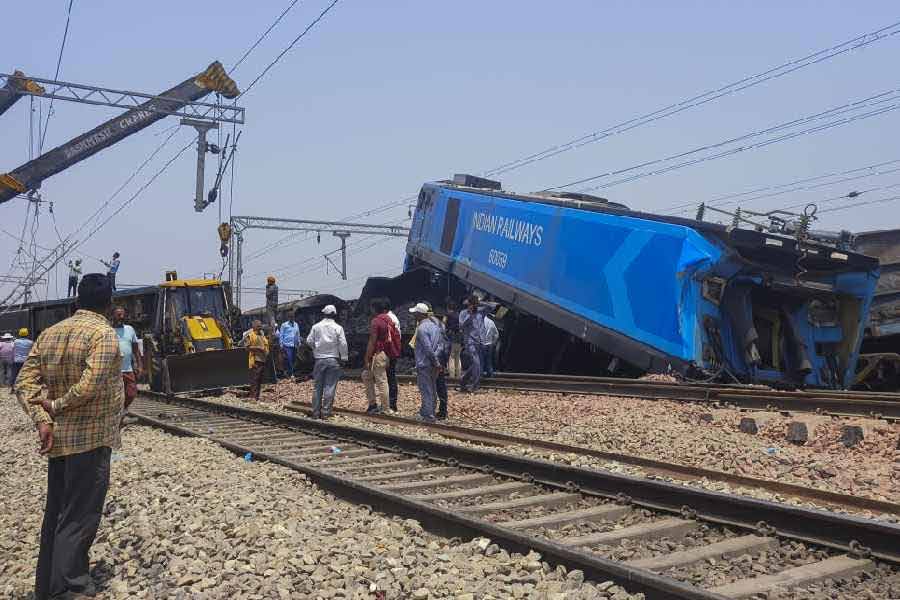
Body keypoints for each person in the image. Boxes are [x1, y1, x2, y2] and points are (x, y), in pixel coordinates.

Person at [15, 273, 123, 600]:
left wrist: (42, 419)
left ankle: (46, 585)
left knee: (58, 513)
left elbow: (23, 383)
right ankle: (69, 587)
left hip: (59, 441)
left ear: (77, 301)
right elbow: (91, 385)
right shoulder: (103, 335)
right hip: (90, 439)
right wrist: (56, 407)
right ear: (109, 303)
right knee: (80, 515)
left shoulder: (49, 333)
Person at [306, 305, 348, 419]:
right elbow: (343, 344)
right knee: (330, 387)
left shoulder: (316, 327)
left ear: (324, 314)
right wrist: (344, 358)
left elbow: (309, 341)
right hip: (333, 359)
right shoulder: (338, 328)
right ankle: (325, 413)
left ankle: (315, 413)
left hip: (319, 359)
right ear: (334, 315)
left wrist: (316, 349)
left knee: (317, 387)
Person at [409, 302, 444, 422]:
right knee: (432, 388)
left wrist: (435, 362)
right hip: (434, 363)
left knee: (426, 389)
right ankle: (428, 411)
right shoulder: (436, 326)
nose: (414, 315)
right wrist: (437, 361)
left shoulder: (421, 329)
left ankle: (428, 415)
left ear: (419, 314)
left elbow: (427, 348)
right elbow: (440, 346)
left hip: (425, 364)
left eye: (415, 313)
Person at [362, 298, 393, 415]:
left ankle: (385, 408)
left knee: (381, 381)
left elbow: (372, 341)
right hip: (385, 353)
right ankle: (373, 404)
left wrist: (367, 357)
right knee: (366, 375)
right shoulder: (387, 319)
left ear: (374, 308)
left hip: (377, 354)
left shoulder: (376, 321)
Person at [459, 294, 494, 392]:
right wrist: (469, 315)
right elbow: (461, 325)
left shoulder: (481, 311)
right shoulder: (463, 313)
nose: (473, 306)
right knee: (477, 363)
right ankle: (475, 386)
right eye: (471, 304)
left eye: (474, 304)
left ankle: (463, 380)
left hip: (481, 342)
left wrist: (480, 303)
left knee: (477, 364)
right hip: (470, 342)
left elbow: (492, 307)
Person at [112, 307, 142, 421]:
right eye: (118, 315)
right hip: (114, 370)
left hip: (128, 368)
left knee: (131, 393)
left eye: (122, 315)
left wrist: (139, 365)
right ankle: (117, 416)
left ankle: (123, 411)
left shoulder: (130, 329)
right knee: (115, 395)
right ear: (113, 316)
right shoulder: (109, 330)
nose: (121, 317)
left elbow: (136, 350)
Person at [244, 320, 269, 400]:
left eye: (260, 326)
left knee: (259, 379)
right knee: (255, 379)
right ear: (253, 327)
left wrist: (265, 351)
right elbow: (247, 348)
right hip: (255, 359)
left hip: (262, 359)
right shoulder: (250, 335)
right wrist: (257, 348)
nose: (260, 327)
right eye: (258, 326)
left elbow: (266, 345)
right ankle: (253, 397)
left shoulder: (262, 335)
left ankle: (256, 397)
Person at [385, 302, 401, 412]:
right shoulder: (393, 317)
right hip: (394, 350)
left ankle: (390, 403)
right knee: (391, 376)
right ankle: (392, 403)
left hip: (389, 351)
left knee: (388, 377)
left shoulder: (388, 318)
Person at [11, 327, 34, 392]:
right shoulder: (30, 342)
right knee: (26, 375)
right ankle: (25, 388)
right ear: (27, 334)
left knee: (15, 374)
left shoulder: (15, 341)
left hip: (17, 360)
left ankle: (13, 388)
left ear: (19, 334)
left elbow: (12, 349)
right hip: (26, 361)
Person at [445, 299, 462, 379]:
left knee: (451, 357)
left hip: (451, 337)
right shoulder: (458, 315)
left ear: (448, 307)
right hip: (459, 338)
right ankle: (458, 375)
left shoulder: (448, 315)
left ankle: (452, 376)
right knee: (458, 357)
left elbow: (444, 324)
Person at [481, 313, 500, 378]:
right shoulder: (491, 322)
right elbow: (496, 334)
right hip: (489, 345)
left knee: (481, 361)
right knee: (489, 361)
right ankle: (490, 376)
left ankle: (479, 377)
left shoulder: (479, 322)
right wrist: (493, 343)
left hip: (481, 344)